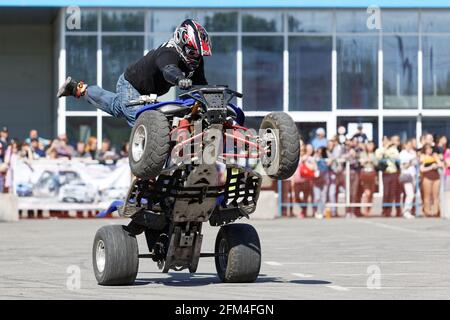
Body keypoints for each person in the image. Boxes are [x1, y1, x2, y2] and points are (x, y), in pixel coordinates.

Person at [57, 19, 211, 127]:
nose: (196, 57)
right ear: (181, 42)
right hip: (132, 84)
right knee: (143, 120)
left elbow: (201, 86)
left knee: (117, 107)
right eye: (192, 52)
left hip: (149, 92)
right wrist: (179, 79)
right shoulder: (168, 52)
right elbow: (169, 70)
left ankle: (78, 89)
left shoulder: (195, 61)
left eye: (199, 54)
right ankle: (146, 171)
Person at [376, 136, 401, 217]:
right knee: (386, 192)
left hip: (394, 173)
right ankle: (384, 210)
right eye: (385, 141)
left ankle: (390, 211)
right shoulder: (380, 150)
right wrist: (385, 148)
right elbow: (378, 156)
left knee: (392, 192)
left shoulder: (393, 150)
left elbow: (397, 158)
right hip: (386, 173)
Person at [293, 143, 316, 218]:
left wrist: (305, 161)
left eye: (303, 149)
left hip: (306, 180)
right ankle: (303, 209)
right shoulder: (295, 157)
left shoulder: (309, 158)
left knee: (306, 198)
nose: (301, 150)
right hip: (297, 180)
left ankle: (304, 212)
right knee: (296, 197)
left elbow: (313, 168)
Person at [420, 143, 442, 217]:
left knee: (436, 195)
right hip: (427, 177)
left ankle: (435, 211)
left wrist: (437, 163)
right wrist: (431, 167)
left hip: (436, 177)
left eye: (431, 148)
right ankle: (427, 211)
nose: (430, 150)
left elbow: (441, 164)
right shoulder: (423, 157)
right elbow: (422, 169)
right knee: (427, 195)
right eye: (428, 149)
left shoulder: (435, 156)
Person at [399, 139, 418, 219]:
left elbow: (416, 162)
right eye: (408, 145)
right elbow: (404, 166)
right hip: (406, 176)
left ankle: (408, 210)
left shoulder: (413, 152)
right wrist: (410, 162)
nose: (410, 146)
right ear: (405, 145)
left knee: (411, 194)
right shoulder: (402, 154)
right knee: (410, 194)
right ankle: (406, 211)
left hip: (413, 175)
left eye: (411, 145)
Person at [359, 141, 378, 216]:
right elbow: (361, 162)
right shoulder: (363, 154)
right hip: (365, 174)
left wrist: (371, 160)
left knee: (371, 192)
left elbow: (376, 163)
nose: (370, 147)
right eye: (369, 145)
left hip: (372, 173)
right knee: (367, 192)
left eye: (372, 145)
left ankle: (369, 209)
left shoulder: (374, 154)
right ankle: (365, 209)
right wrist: (367, 160)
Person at [312, 147, 329, 219]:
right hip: (316, 181)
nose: (319, 153)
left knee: (323, 197)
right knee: (317, 197)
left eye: (321, 152)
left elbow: (328, 163)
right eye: (318, 151)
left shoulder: (325, 159)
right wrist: (315, 157)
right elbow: (313, 167)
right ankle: (317, 212)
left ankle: (322, 212)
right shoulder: (315, 159)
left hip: (324, 180)